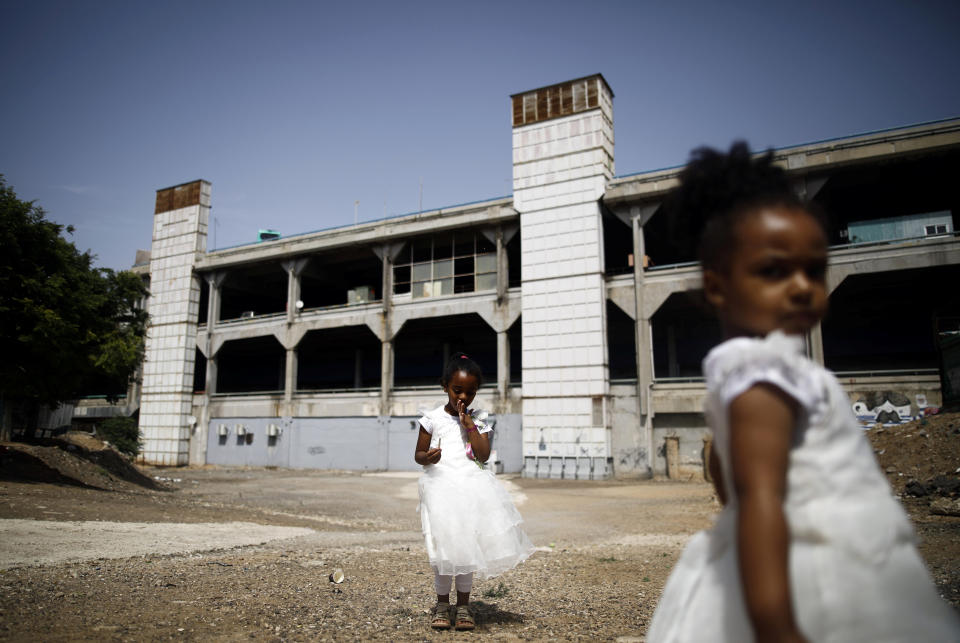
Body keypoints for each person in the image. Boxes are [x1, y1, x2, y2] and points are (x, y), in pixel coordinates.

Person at [646, 143, 960, 642]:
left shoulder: (745, 373)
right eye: (774, 271)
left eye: (814, 270)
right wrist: (777, 626)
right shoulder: (768, 375)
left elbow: (727, 480)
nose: (801, 286)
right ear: (717, 287)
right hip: (819, 571)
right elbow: (756, 501)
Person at [414, 352, 535, 631]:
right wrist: (427, 457)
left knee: (465, 546)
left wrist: (468, 424)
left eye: (470, 392)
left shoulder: (478, 419)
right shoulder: (431, 419)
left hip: (470, 489)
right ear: (444, 386)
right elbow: (418, 454)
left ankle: (464, 606)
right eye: (457, 390)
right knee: (444, 547)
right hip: (440, 489)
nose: (463, 398)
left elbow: (482, 455)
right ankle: (443, 604)